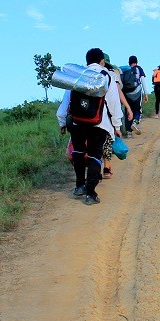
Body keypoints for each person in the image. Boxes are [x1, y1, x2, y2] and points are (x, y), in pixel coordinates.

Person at [56, 48, 122, 205]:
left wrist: (62, 121)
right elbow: (113, 102)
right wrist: (117, 125)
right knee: (94, 156)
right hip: (99, 123)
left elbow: (67, 101)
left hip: (77, 122)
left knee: (78, 152)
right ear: (102, 61)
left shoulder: (78, 76)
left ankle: (79, 186)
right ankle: (91, 194)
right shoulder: (107, 76)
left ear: (87, 61)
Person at [101, 55, 132, 179]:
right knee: (107, 141)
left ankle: (96, 172)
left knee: (95, 143)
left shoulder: (89, 75)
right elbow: (117, 96)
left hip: (91, 115)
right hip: (108, 114)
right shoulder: (112, 75)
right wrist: (127, 108)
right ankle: (107, 169)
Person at [122, 55, 148, 137]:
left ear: (129, 62)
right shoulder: (139, 68)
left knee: (128, 111)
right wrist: (145, 93)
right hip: (137, 92)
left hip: (127, 93)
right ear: (136, 62)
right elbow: (143, 80)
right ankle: (135, 122)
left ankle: (128, 132)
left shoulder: (125, 70)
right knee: (137, 110)